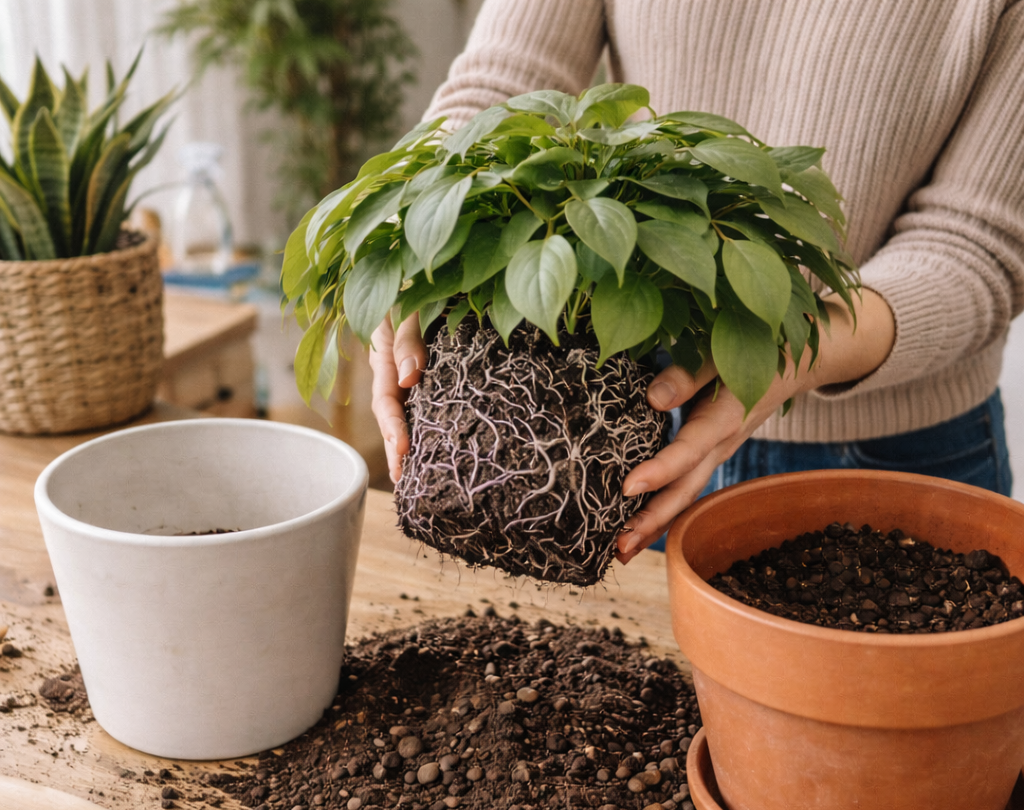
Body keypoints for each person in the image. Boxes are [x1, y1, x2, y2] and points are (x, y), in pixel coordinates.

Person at [370, 0, 1024, 565]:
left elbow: (976, 243)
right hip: (632, 415)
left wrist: (794, 352)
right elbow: (506, 84)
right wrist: (422, 235)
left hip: (897, 457)